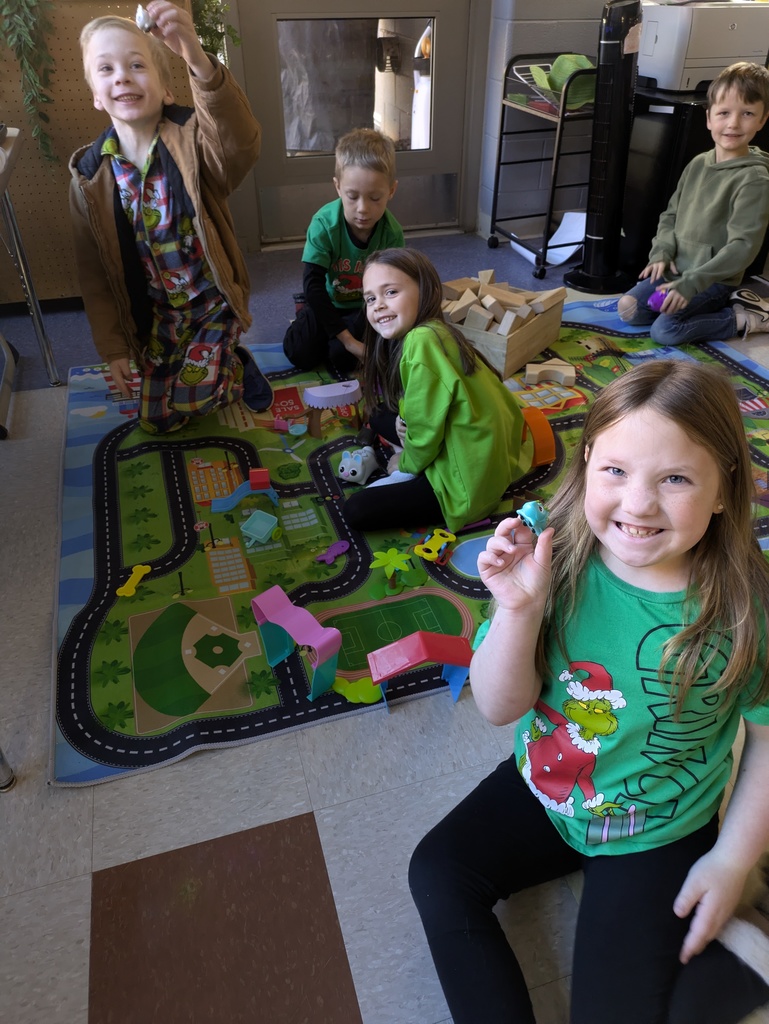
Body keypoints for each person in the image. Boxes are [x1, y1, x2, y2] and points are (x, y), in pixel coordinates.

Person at [409, 359, 769, 1024]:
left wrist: (730, 858)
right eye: (615, 471)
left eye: (675, 478)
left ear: (723, 490)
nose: (636, 504)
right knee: (436, 871)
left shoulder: (747, 607)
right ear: (585, 467)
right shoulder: (555, 554)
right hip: (549, 785)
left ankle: (744, 960)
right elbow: (498, 707)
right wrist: (517, 610)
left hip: (657, 828)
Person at [69, 3, 272, 435]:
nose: (121, 76)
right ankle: (222, 362)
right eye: (105, 69)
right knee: (157, 421)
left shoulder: (192, 140)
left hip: (212, 304)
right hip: (161, 316)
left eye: (137, 64)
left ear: (165, 90)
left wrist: (196, 58)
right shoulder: (90, 178)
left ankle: (231, 366)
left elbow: (240, 145)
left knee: (194, 399)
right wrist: (115, 348)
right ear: (95, 95)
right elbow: (96, 276)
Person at [341, 248, 524, 533]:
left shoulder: (420, 342)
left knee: (355, 511)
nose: (377, 305)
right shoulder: (437, 331)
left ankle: (416, 470)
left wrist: (406, 464)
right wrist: (405, 422)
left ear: (426, 291)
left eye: (390, 292)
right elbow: (428, 407)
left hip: (465, 486)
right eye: (370, 298)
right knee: (378, 414)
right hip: (485, 457)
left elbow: (426, 431)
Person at [618, 62, 769, 346]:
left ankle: (743, 316)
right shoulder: (699, 163)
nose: (733, 124)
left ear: (762, 120)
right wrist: (661, 253)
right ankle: (674, 302)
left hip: (711, 281)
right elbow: (671, 215)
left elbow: (743, 248)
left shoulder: (755, 179)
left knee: (664, 331)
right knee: (629, 309)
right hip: (676, 271)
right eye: (724, 113)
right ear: (709, 117)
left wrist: (691, 284)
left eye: (747, 113)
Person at [282, 128, 404, 373]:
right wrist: (348, 340)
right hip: (325, 302)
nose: (362, 209)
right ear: (338, 187)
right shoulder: (324, 225)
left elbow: (392, 291)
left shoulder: (392, 233)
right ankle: (312, 324)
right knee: (298, 352)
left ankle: (336, 344)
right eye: (352, 196)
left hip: (364, 307)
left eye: (375, 198)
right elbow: (313, 285)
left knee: (342, 359)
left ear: (391, 191)